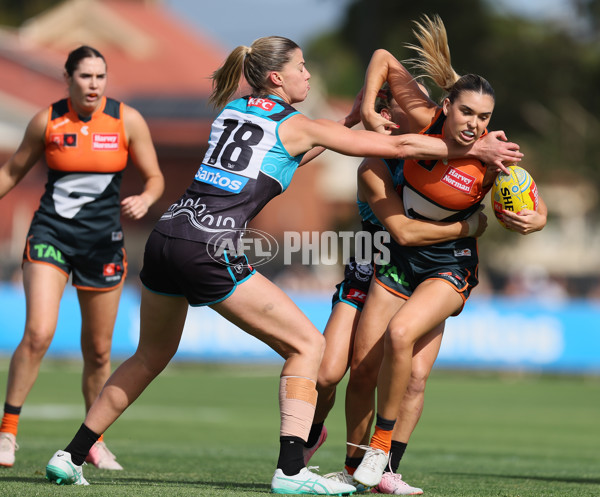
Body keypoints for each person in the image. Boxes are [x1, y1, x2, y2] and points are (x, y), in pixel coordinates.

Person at [42, 36, 521, 493]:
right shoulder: (296, 123)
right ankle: (291, 470)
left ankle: (71, 454)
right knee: (307, 346)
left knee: (148, 357)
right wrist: (473, 149)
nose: (308, 75)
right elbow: (397, 147)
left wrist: (351, 120)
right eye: (301, 68)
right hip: (208, 246)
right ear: (276, 77)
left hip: (166, 235)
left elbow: (294, 150)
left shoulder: (233, 111)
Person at [349, 16, 548, 489]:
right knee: (363, 370)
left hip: (449, 264)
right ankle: (354, 465)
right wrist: (371, 112)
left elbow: (540, 212)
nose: (475, 125)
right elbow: (382, 59)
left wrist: (529, 221)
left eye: (483, 118)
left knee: (403, 341)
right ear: (447, 107)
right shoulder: (426, 121)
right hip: (399, 256)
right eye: (467, 114)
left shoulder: (499, 160)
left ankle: (383, 456)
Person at [302, 84, 487, 496]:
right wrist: (470, 227)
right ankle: (321, 438)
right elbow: (402, 232)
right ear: (376, 120)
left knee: (415, 377)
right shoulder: (373, 163)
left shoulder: (443, 145)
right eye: (383, 112)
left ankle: (383, 467)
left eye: (402, 110)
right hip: (372, 264)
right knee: (334, 373)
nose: (395, 117)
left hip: (422, 270)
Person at [0, 45, 164, 471]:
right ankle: (7, 432)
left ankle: (94, 442)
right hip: (50, 236)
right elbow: (12, 171)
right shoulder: (47, 121)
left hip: (103, 246)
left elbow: (155, 177)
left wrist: (146, 198)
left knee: (98, 351)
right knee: (38, 333)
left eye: (100, 77)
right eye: (85, 77)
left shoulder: (127, 120)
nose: (93, 85)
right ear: (68, 79)